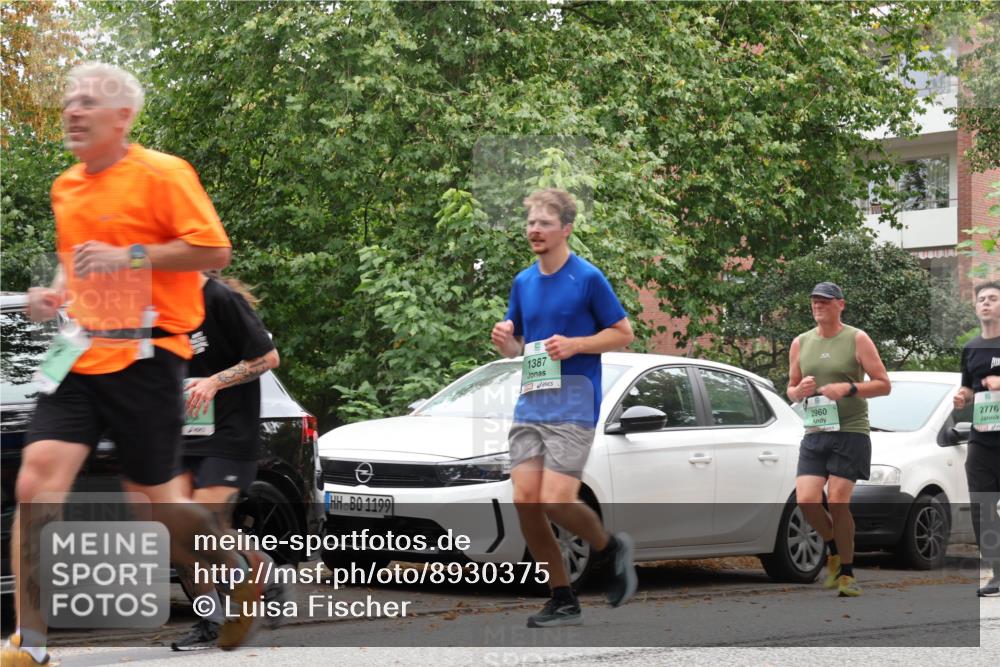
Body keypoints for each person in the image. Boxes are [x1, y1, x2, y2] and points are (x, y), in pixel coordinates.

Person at [4, 62, 266, 666]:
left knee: (158, 502)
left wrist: (129, 255)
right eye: (69, 100)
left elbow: (213, 248)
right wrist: (53, 295)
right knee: (35, 483)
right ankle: (31, 643)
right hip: (77, 353)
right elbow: (76, 263)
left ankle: (239, 566)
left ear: (122, 117)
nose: (72, 111)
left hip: (148, 356)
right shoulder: (67, 186)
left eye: (87, 102)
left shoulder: (163, 174)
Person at [491, 188, 636, 628]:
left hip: (574, 404)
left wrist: (576, 344)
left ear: (566, 229)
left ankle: (610, 547)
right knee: (525, 502)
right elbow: (521, 347)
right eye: (531, 223)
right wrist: (506, 344)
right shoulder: (523, 282)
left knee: (556, 501)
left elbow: (623, 332)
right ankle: (563, 597)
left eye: (544, 223)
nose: (534, 230)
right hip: (531, 405)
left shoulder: (587, 277)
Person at [171, 272, 280, 651]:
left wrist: (213, 382)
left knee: (202, 524)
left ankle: (258, 571)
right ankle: (211, 620)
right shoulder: (159, 310)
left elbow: (268, 357)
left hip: (229, 433)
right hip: (181, 434)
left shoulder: (218, 299)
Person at [787, 282, 891, 598]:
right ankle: (834, 549)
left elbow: (883, 384)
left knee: (837, 500)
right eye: (814, 301)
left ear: (840, 305)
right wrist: (798, 391)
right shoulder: (800, 342)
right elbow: (791, 389)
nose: (818, 305)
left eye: (825, 301)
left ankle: (847, 573)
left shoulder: (857, 338)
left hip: (851, 431)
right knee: (806, 499)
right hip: (816, 431)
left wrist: (850, 388)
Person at [953, 280, 1000, 597]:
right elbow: (968, 386)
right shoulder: (972, 348)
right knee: (981, 506)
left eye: (993, 298)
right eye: (981, 298)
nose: (986, 302)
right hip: (982, 438)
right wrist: (963, 396)